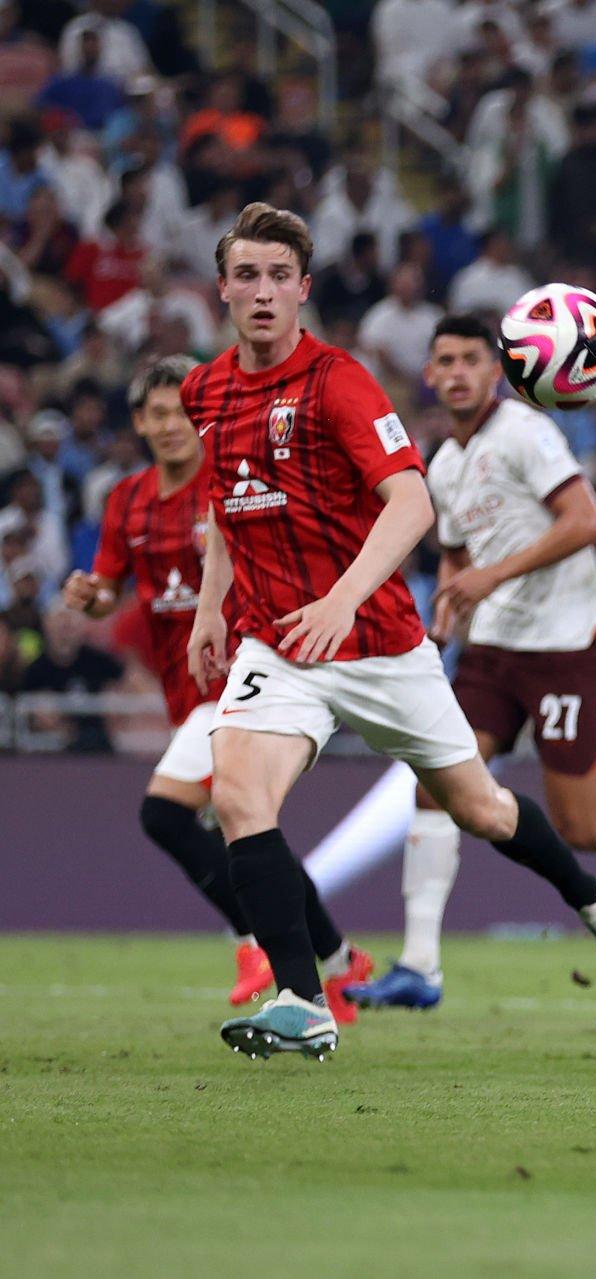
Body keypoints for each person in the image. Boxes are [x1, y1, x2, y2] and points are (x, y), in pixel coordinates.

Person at [184, 203, 596, 1061]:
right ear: (222, 288)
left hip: (377, 642)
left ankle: (594, 901)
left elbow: (412, 502)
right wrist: (213, 604)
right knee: (236, 797)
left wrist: (343, 600)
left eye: (278, 277)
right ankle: (302, 997)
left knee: (479, 806)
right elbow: (224, 501)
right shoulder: (204, 390)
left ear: (303, 291)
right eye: (246, 275)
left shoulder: (339, 383)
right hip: (278, 642)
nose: (262, 292)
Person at [345, 314, 596, 1011]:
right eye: (446, 361)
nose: (458, 372)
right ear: (429, 375)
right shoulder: (441, 465)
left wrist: (489, 578)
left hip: (565, 650)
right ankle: (421, 967)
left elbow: (587, 521)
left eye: (471, 359)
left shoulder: (526, 433)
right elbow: (459, 554)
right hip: (493, 651)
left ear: (496, 371)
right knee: (435, 784)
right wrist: (455, 599)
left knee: (579, 827)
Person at [61, 356, 366, 1015]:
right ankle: (339, 962)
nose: (173, 426)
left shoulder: (235, 482)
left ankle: (256, 938)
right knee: (251, 830)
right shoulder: (128, 499)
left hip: (245, 683)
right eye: (158, 413)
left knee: (165, 811)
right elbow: (107, 588)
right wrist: (88, 595)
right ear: (140, 422)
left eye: (183, 412)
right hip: (186, 693)